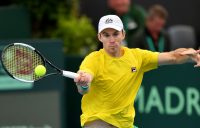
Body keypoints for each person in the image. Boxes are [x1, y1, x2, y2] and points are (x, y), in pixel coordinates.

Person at [74, 15, 200, 128]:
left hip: (125, 124)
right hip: (98, 121)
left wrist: (190, 53)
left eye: (115, 34)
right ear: (100, 37)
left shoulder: (137, 56)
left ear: (123, 34)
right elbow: (84, 87)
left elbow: (173, 57)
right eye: (106, 35)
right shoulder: (92, 59)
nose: (112, 39)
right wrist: (84, 83)